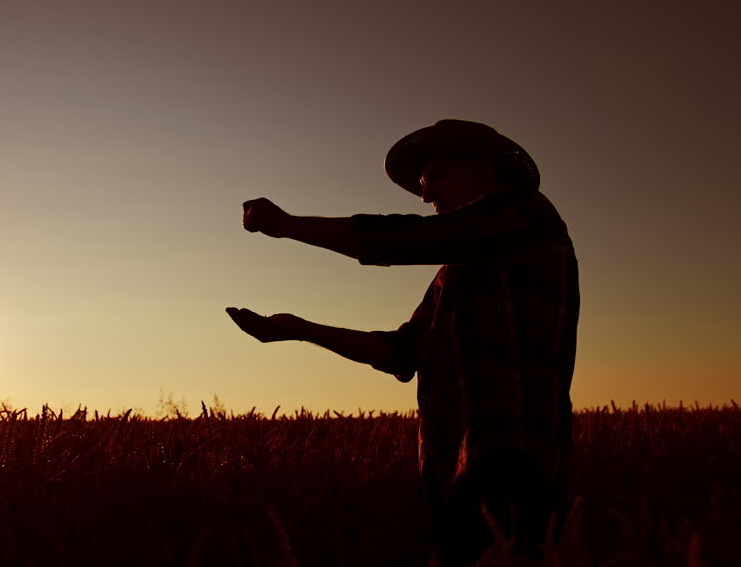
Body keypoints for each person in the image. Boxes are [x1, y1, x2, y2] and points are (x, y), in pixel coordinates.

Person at [226, 119, 579, 565]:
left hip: (516, 458)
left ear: (485, 172)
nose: (426, 193)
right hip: (452, 468)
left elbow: (404, 239)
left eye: (435, 175)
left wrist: (288, 225)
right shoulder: (454, 273)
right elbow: (400, 352)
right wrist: (298, 329)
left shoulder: (528, 215)